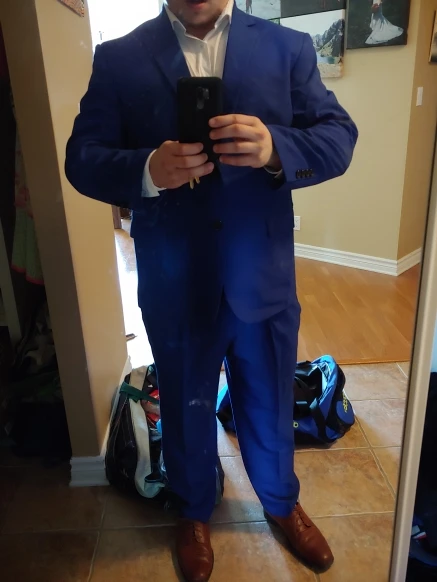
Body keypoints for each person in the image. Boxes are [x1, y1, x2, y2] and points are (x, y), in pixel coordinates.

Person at [65, 1, 358, 580]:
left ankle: (280, 501)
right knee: (183, 402)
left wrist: (276, 148)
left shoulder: (287, 48)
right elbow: (82, 158)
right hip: (173, 278)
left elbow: (339, 137)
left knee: (270, 399)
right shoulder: (119, 57)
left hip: (262, 275)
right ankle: (194, 508)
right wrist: (147, 170)